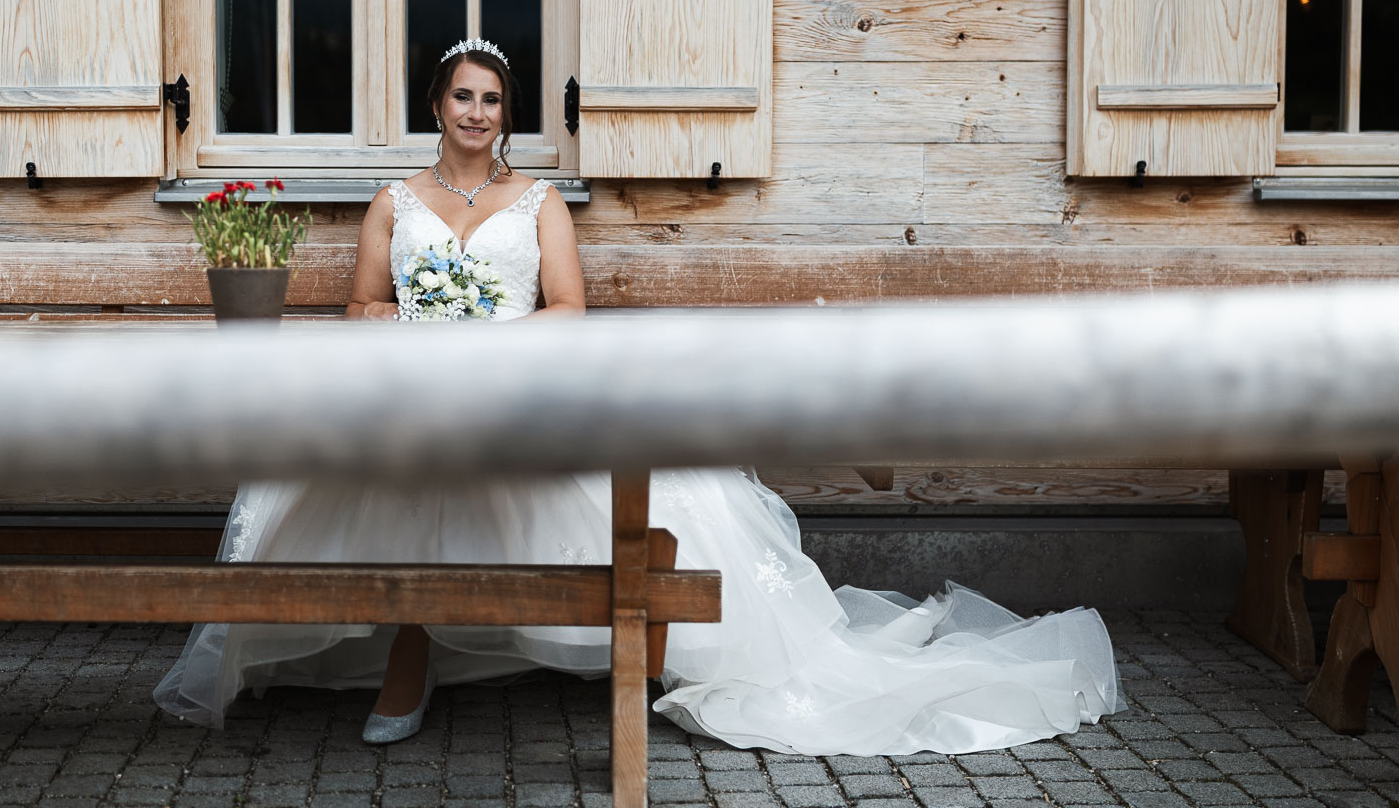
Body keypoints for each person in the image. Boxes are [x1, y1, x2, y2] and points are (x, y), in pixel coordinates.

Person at [155, 39, 1120, 753]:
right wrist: (413, 326)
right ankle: (408, 655)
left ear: (505, 113)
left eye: (492, 99)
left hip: (519, 385)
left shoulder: (539, 204)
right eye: (463, 96)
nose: (477, 112)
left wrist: (488, 340)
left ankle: (626, 642)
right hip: (416, 393)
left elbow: (568, 310)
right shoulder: (392, 202)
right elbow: (362, 306)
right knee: (401, 475)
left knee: (641, 488)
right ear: (437, 104)